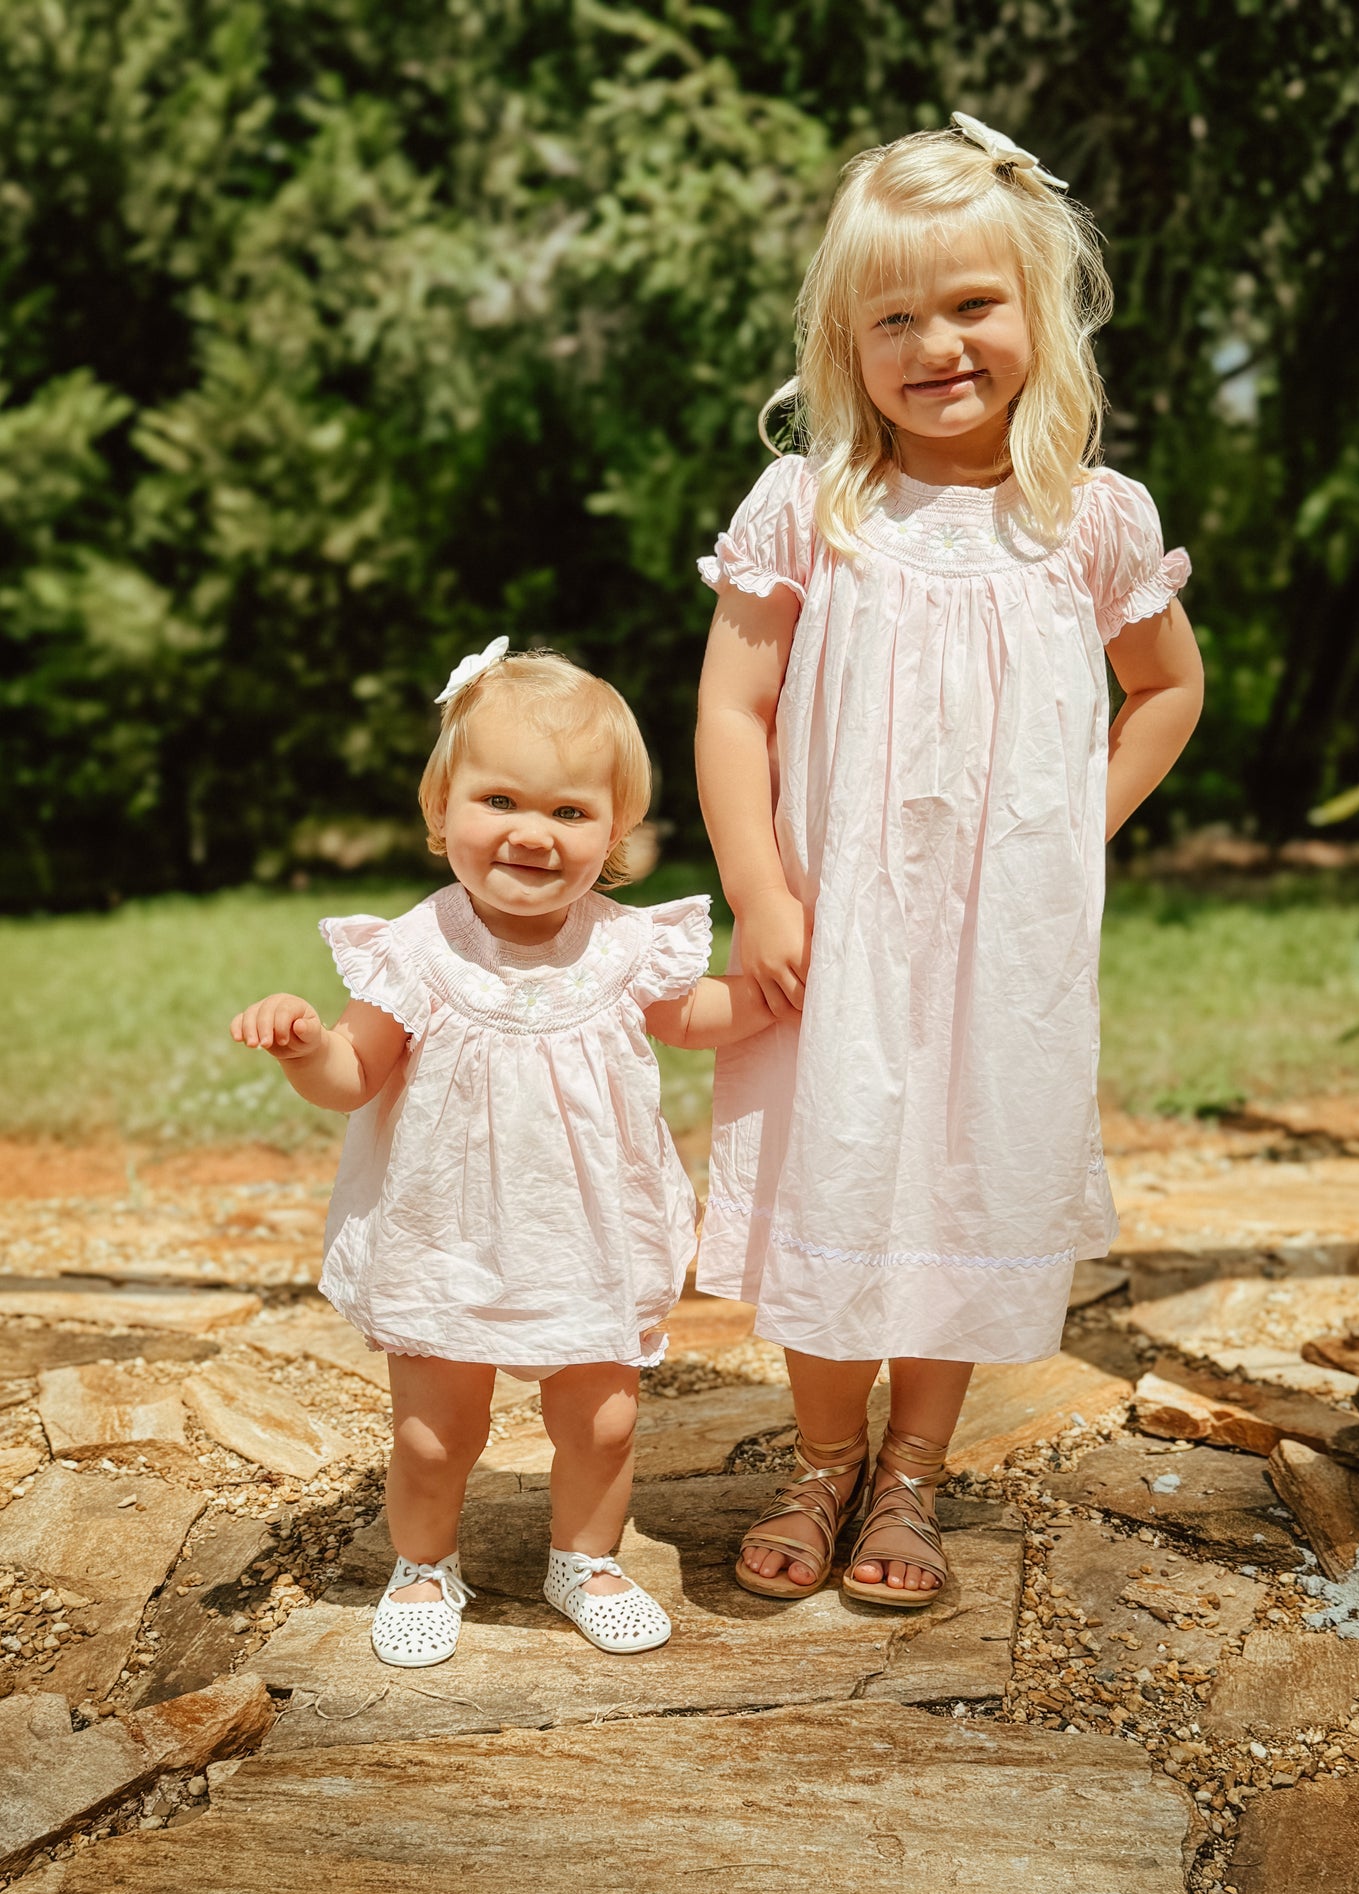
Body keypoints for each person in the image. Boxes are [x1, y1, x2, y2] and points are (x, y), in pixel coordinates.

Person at [694, 113, 1204, 1608]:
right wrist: (759, 887)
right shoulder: (811, 507)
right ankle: (819, 1453)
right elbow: (733, 703)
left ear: (1040, 314)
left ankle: (914, 1466)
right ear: (845, 341)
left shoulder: (1091, 522)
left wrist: (1064, 837)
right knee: (835, 1160)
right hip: (831, 925)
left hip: (1004, 947)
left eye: (972, 303)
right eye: (894, 316)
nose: (938, 343)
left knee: (965, 1167)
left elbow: (1166, 691)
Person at [231, 641, 776, 1665]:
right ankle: (424, 1562)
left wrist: (776, 993)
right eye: (499, 801)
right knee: (434, 1435)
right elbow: (358, 1073)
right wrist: (307, 1046)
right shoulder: (417, 950)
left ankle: (585, 1556)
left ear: (616, 834)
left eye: (570, 812)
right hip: (447, 1232)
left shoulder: (622, 945)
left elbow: (696, 1015)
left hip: (588, 1232)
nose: (532, 833)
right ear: (442, 810)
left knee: (604, 1424)